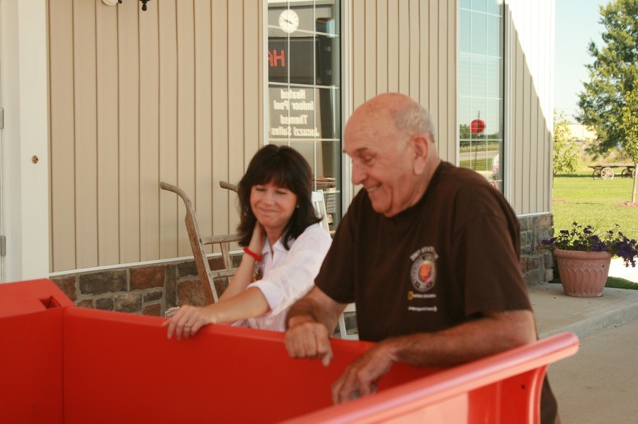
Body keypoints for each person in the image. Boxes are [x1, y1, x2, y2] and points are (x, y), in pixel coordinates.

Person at [284, 93, 560, 424]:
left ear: (418, 151)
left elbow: (515, 332)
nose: (355, 176)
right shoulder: (365, 210)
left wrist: (393, 350)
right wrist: (304, 322)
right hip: (413, 410)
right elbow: (321, 304)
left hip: (495, 411)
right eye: (352, 160)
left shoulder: (470, 202)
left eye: (367, 158)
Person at [164, 144, 332, 339]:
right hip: (258, 351)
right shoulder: (264, 243)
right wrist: (250, 255)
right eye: (260, 189)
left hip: (295, 354)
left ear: (299, 199)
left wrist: (207, 313)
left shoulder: (314, 241)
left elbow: (276, 291)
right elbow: (227, 316)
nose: (267, 200)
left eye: (280, 192)